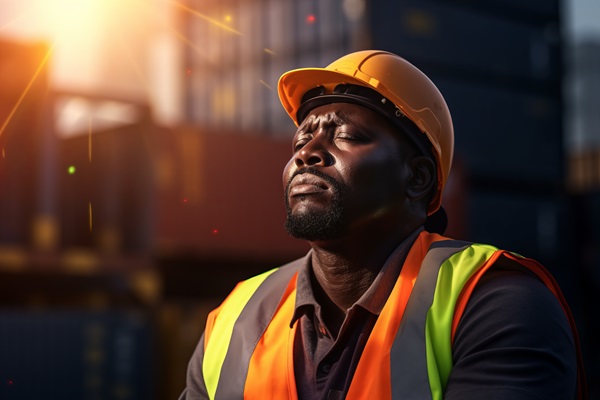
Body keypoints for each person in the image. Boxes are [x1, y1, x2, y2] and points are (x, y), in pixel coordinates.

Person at [179, 50, 586, 399]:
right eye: (301, 141)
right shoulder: (233, 317)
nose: (308, 154)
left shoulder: (494, 303)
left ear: (417, 178)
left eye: (347, 136)